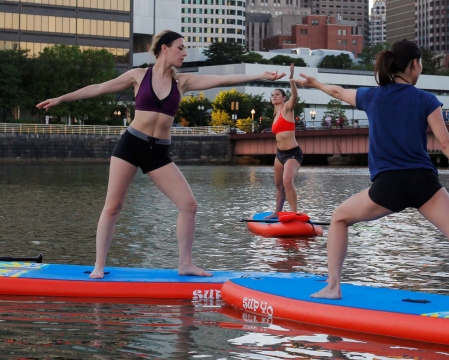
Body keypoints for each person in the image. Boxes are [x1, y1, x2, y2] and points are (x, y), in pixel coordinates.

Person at [293, 39, 449, 311]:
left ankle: (333, 287)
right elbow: (446, 143)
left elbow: (338, 92)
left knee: (339, 218)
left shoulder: (372, 96)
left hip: (388, 187)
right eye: (421, 65)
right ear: (414, 64)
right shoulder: (426, 100)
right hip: (424, 183)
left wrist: (316, 85)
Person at [37, 30, 286, 279]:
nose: (185, 53)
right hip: (131, 145)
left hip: (158, 152)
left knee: (189, 205)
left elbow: (221, 81)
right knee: (113, 206)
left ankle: (185, 264)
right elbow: (100, 88)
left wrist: (262, 75)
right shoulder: (139, 75)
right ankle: (99, 266)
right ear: (164, 48)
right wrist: (62, 98)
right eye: (181, 48)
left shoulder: (183, 82)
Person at [265, 63, 302, 219]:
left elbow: (295, 96)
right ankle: (277, 212)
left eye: (277, 94)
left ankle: (294, 213)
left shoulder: (287, 108)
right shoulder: (275, 114)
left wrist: (291, 78)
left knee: (287, 182)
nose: (274, 96)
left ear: (283, 98)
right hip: (279, 154)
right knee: (278, 185)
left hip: (293, 153)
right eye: (272, 95)